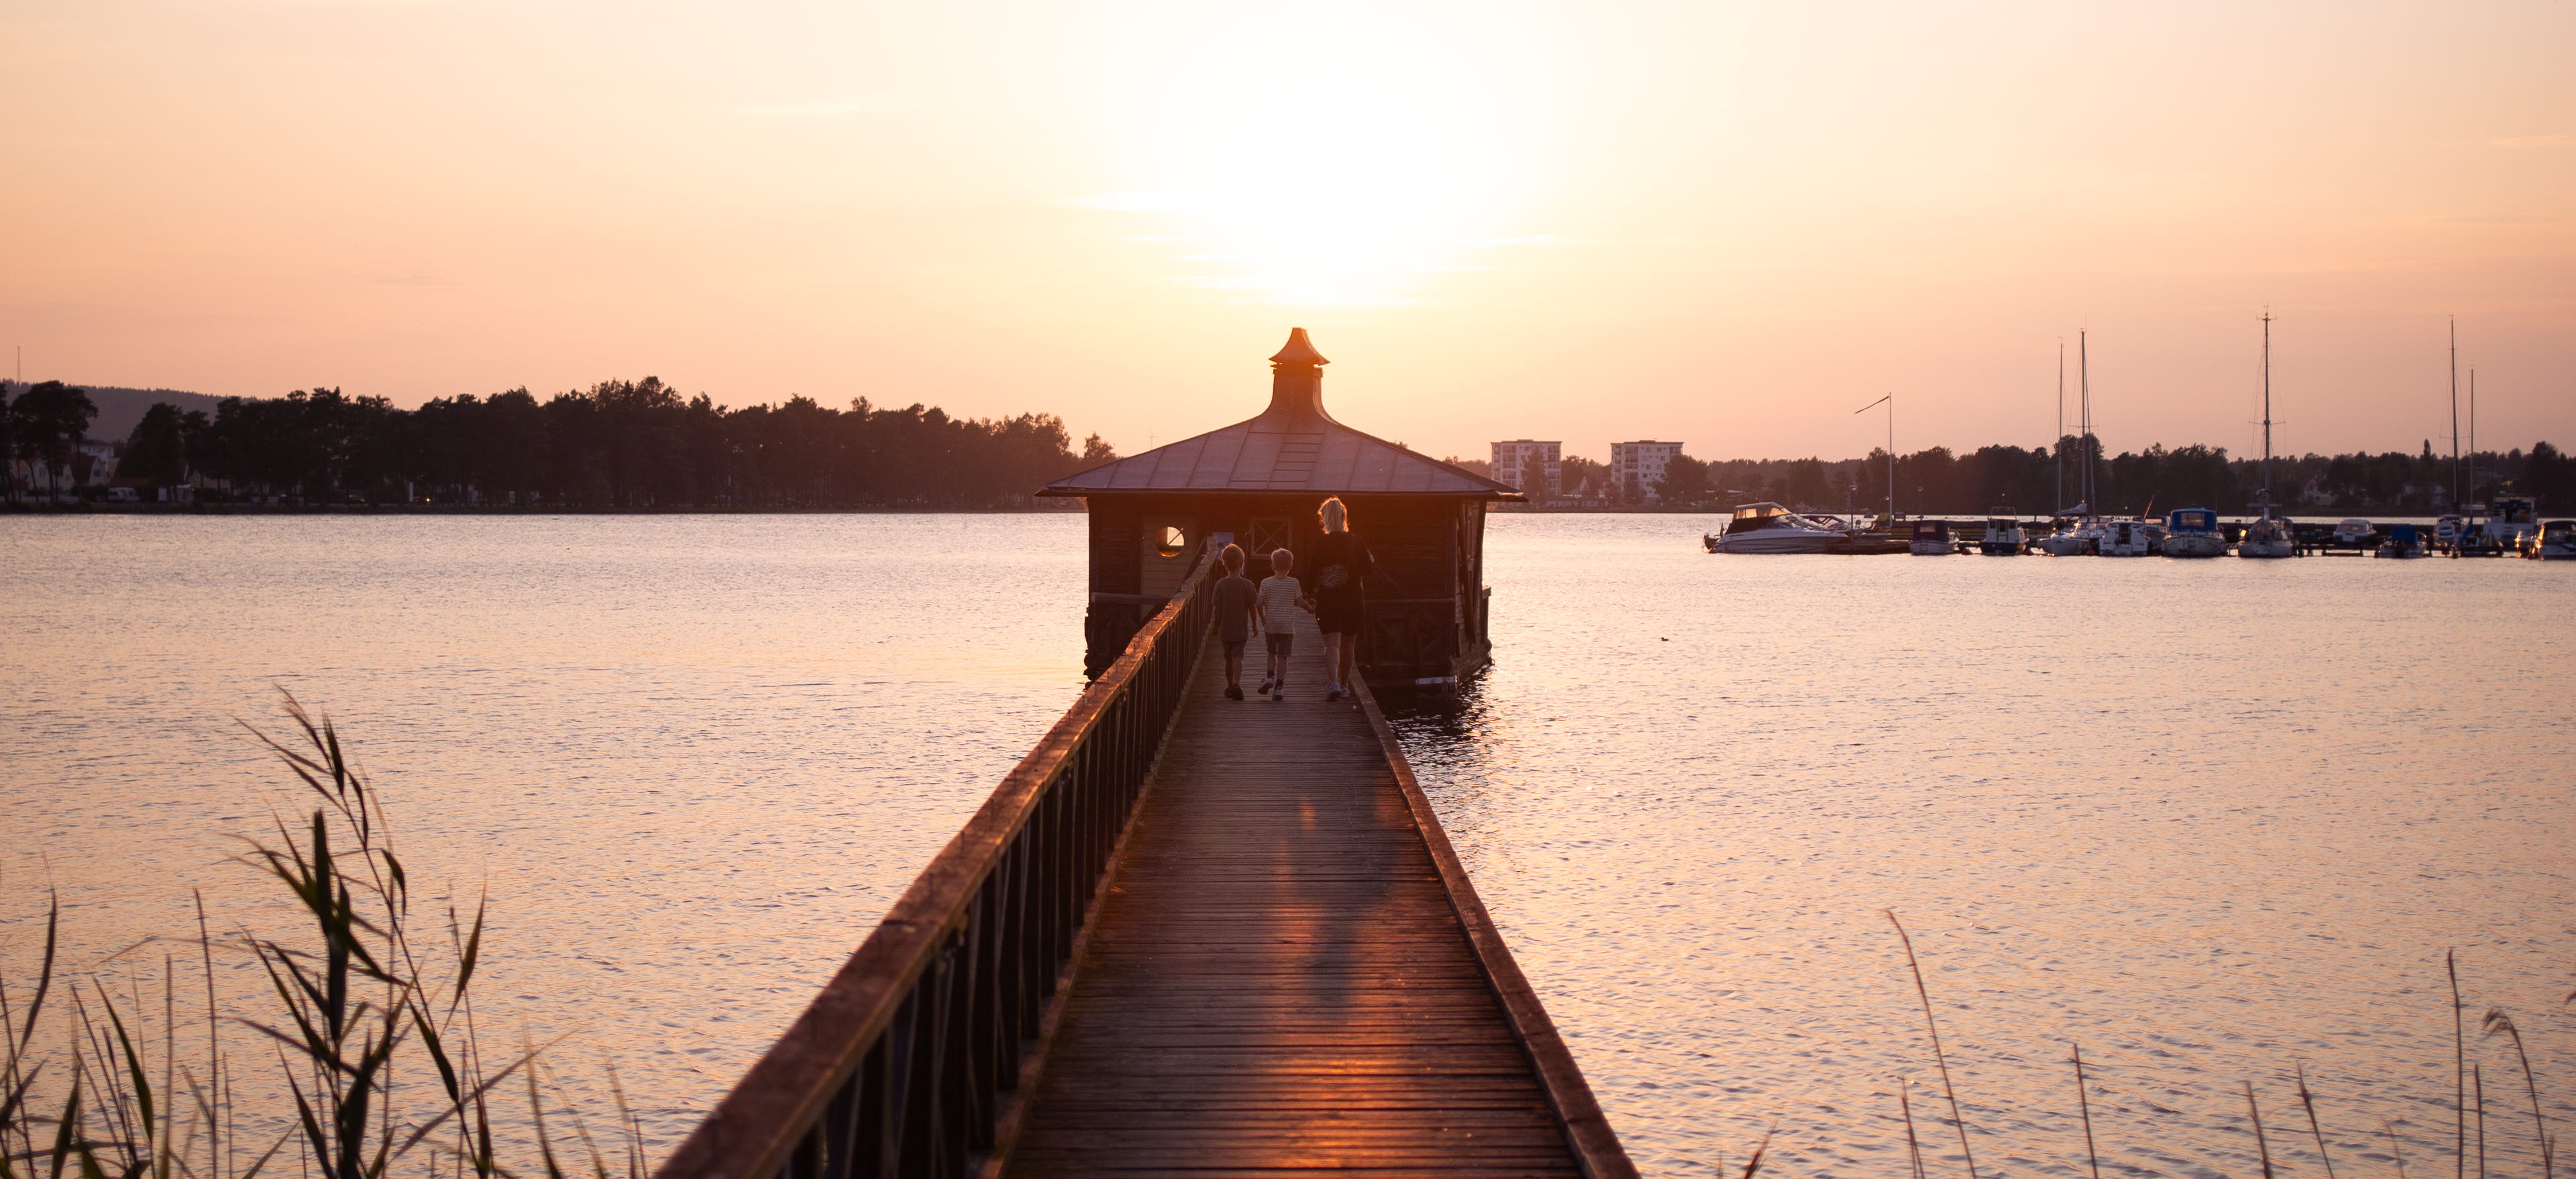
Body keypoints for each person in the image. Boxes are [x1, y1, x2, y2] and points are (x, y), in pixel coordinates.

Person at [1307, 497, 1373, 701]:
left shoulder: (1321, 543)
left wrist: (1308, 594)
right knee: (1348, 645)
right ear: (1344, 517)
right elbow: (1369, 570)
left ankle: (1333, 682)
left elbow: (1312, 572)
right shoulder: (1356, 541)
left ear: (1324, 518)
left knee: (1332, 644)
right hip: (1353, 599)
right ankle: (1344, 686)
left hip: (1328, 601)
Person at [1254, 548, 1309, 700]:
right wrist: (1311, 609)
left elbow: (1258, 602)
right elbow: (1300, 602)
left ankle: (1270, 677)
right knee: (1283, 657)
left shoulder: (1266, 582)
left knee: (1272, 653)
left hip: (1271, 625)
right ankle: (1279, 688)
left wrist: (1262, 617)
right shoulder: (1294, 583)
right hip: (1287, 627)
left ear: (1273, 566)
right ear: (1291, 567)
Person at [1211, 544, 1258, 701]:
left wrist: (1216, 626)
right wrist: (1255, 625)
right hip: (1240, 629)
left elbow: (1217, 609)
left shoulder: (1220, 584)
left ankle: (1230, 685)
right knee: (1238, 656)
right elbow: (1253, 607)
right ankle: (1237, 684)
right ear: (1242, 563)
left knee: (1228, 658)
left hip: (1225, 629)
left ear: (1224, 563)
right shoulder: (1248, 584)